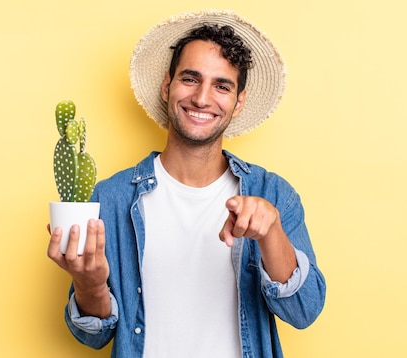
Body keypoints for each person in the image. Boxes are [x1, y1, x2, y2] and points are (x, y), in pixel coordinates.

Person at [47, 9, 326, 358]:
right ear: (167, 86)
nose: (202, 98)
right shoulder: (111, 198)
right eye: (190, 79)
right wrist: (89, 284)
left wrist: (271, 234)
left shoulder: (273, 195)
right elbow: (93, 335)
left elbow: (304, 311)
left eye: (221, 86)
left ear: (238, 102)